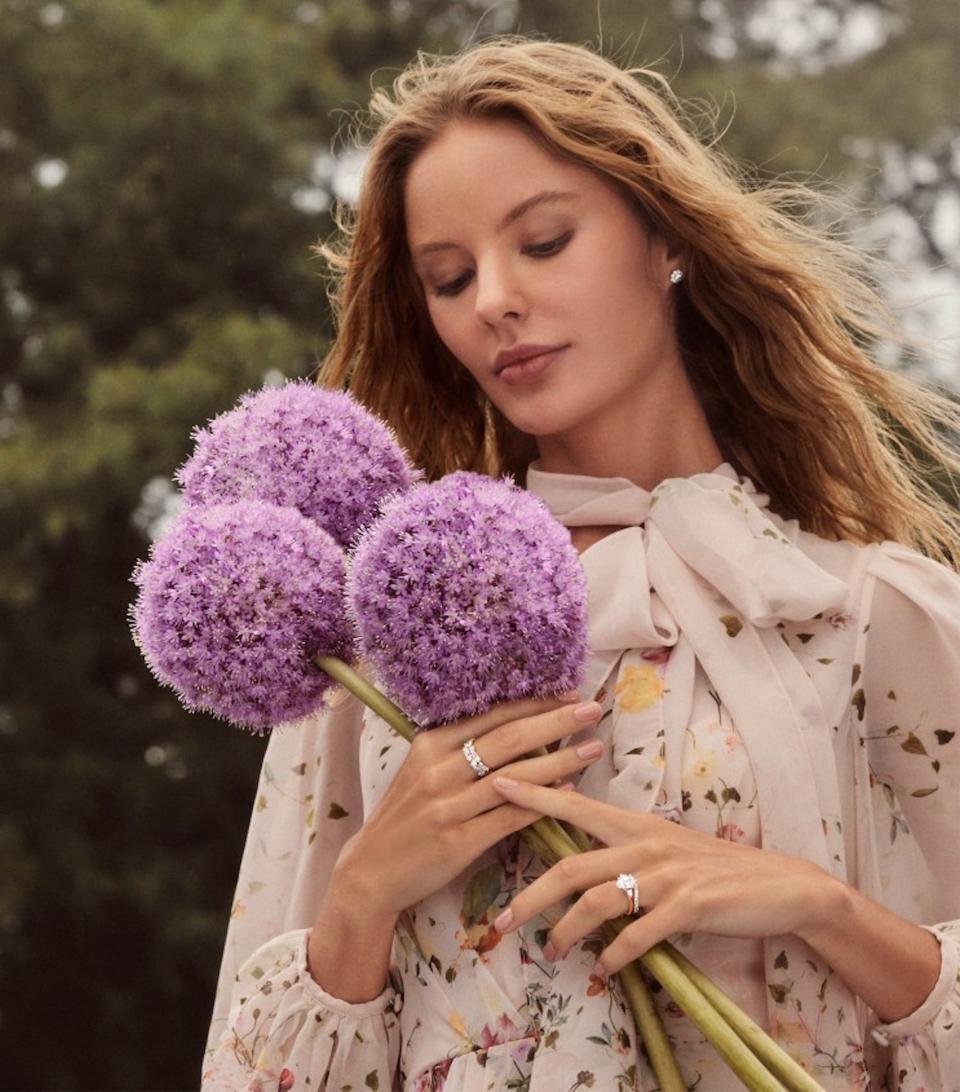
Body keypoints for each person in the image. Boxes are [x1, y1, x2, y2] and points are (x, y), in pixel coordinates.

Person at [201, 36, 960, 1091]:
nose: (493, 302)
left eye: (545, 242)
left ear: (665, 240)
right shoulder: (381, 642)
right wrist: (366, 893)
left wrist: (815, 903)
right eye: (450, 277)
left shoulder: (871, 613)